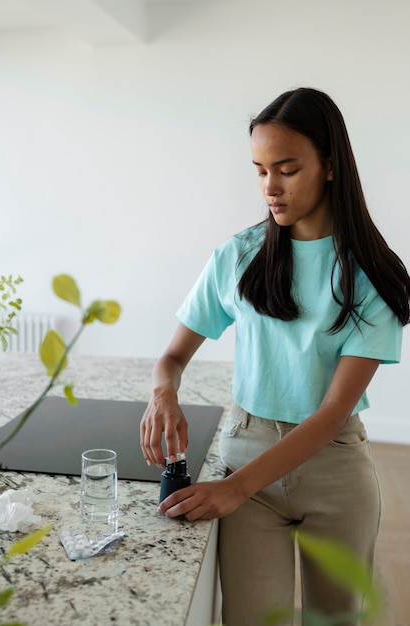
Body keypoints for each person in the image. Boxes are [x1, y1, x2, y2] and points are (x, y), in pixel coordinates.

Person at [140, 87, 410, 625]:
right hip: (245, 449)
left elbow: (333, 411)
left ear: (329, 167)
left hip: (334, 469)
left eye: (286, 169)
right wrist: (162, 392)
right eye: (260, 170)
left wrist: (234, 489)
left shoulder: (371, 277)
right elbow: (172, 356)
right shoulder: (238, 255)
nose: (270, 187)